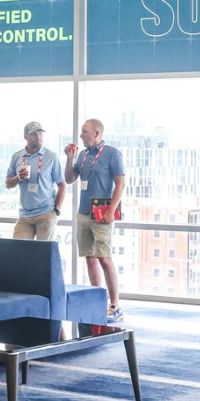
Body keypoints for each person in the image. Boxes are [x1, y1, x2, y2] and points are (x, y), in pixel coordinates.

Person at [64, 118, 125, 323]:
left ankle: (115, 305)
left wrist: (111, 210)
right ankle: (99, 301)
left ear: (97, 133)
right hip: (83, 212)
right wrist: (69, 159)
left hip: (102, 213)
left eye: (84, 132)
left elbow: (120, 183)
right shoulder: (82, 155)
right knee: (90, 258)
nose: (81, 135)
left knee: (104, 258)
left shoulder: (112, 154)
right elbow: (70, 179)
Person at [6, 120, 65, 241]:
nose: (38, 137)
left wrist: (56, 210)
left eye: (40, 133)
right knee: (18, 250)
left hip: (46, 213)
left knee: (42, 254)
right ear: (25, 136)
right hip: (25, 215)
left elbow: (62, 184)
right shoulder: (17, 157)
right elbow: (8, 183)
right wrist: (18, 177)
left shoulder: (51, 157)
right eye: (34, 134)